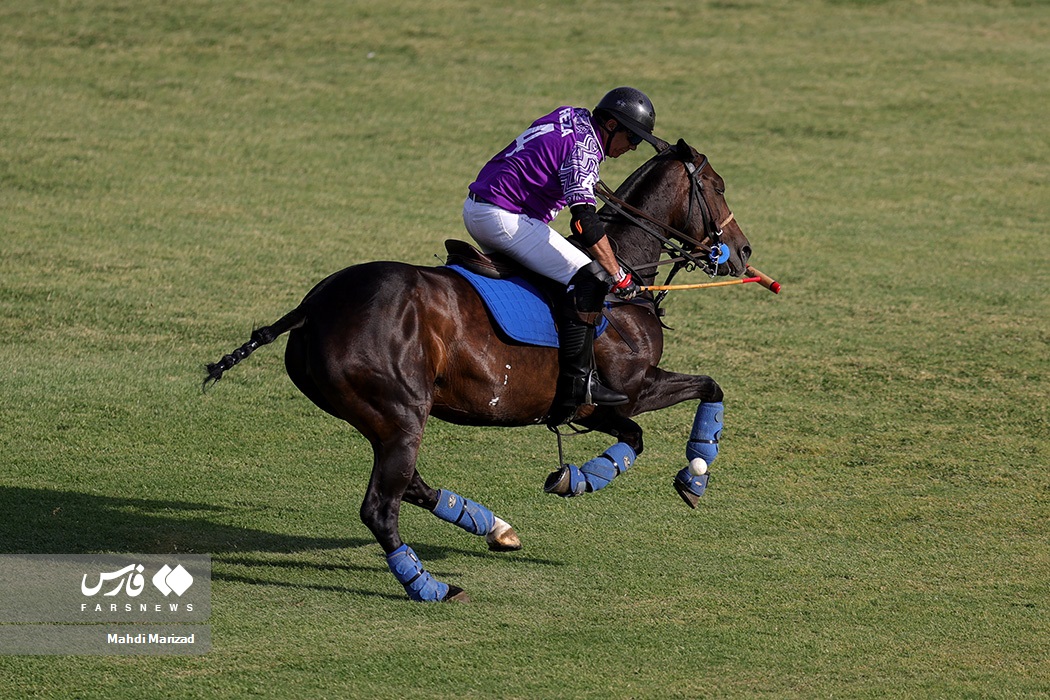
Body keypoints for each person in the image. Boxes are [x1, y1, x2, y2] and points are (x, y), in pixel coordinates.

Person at [463, 87, 660, 425]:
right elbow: (584, 221)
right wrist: (618, 274)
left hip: (480, 209)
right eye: (632, 138)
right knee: (590, 276)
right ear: (610, 125)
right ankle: (579, 381)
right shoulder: (585, 151)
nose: (633, 148)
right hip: (503, 217)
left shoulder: (571, 116)